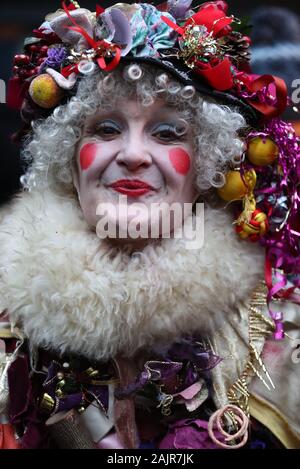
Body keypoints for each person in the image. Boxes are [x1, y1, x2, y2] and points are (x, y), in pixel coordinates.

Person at [0, 0, 299, 449]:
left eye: (166, 133)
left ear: (206, 166)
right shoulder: (8, 325)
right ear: (66, 160)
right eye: (105, 128)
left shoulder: (279, 332)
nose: (134, 155)